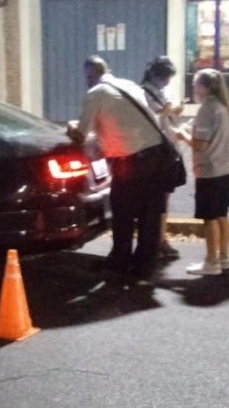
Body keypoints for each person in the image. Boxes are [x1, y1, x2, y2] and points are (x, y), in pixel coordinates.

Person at [67, 55, 164, 281]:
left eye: (87, 77)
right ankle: (144, 267)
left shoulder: (96, 93)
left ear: (90, 76)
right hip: (157, 157)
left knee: (123, 214)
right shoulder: (130, 85)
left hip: (131, 161)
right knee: (149, 218)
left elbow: (80, 135)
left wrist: (72, 126)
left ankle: (119, 263)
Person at [174, 68, 229, 276]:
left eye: (195, 84)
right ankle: (224, 257)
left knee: (209, 217)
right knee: (222, 214)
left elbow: (200, 145)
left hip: (210, 170)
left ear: (204, 87)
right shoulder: (223, 107)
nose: (193, 88)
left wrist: (181, 135)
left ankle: (211, 262)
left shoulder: (207, 109)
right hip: (226, 168)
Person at [142, 56, 185, 260]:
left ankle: (160, 238)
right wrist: (164, 113)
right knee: (155, 199)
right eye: (164, 77)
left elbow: (172, 117)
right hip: (157, 150)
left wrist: (176, 111)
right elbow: (147, 123)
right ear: (154, 74)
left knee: (165, 196)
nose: (167, 81)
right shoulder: (143, 93)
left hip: (171, 148)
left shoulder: (167, 91)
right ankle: (155, 240)